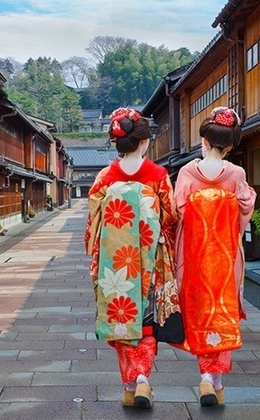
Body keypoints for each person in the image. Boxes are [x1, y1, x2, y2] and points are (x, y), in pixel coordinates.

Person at [85, 107, 178, 409]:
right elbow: (172, 216)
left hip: (115, 264)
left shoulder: (105, 177)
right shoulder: (158, 175)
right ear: (144, 142)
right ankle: (143, 381)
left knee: (121, 319)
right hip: (149, 261)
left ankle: (129, 384)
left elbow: (94, 222)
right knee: (147, 321)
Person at [174, 107, 257, 407]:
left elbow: (178, 211)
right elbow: (245, 208)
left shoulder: (187, 172)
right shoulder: (236, 173)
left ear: (203, 141)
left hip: (194, 255)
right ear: (231, 146)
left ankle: (207, 377)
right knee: (223, 311)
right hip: (224, 257)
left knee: (199, 310)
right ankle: (214, 380)